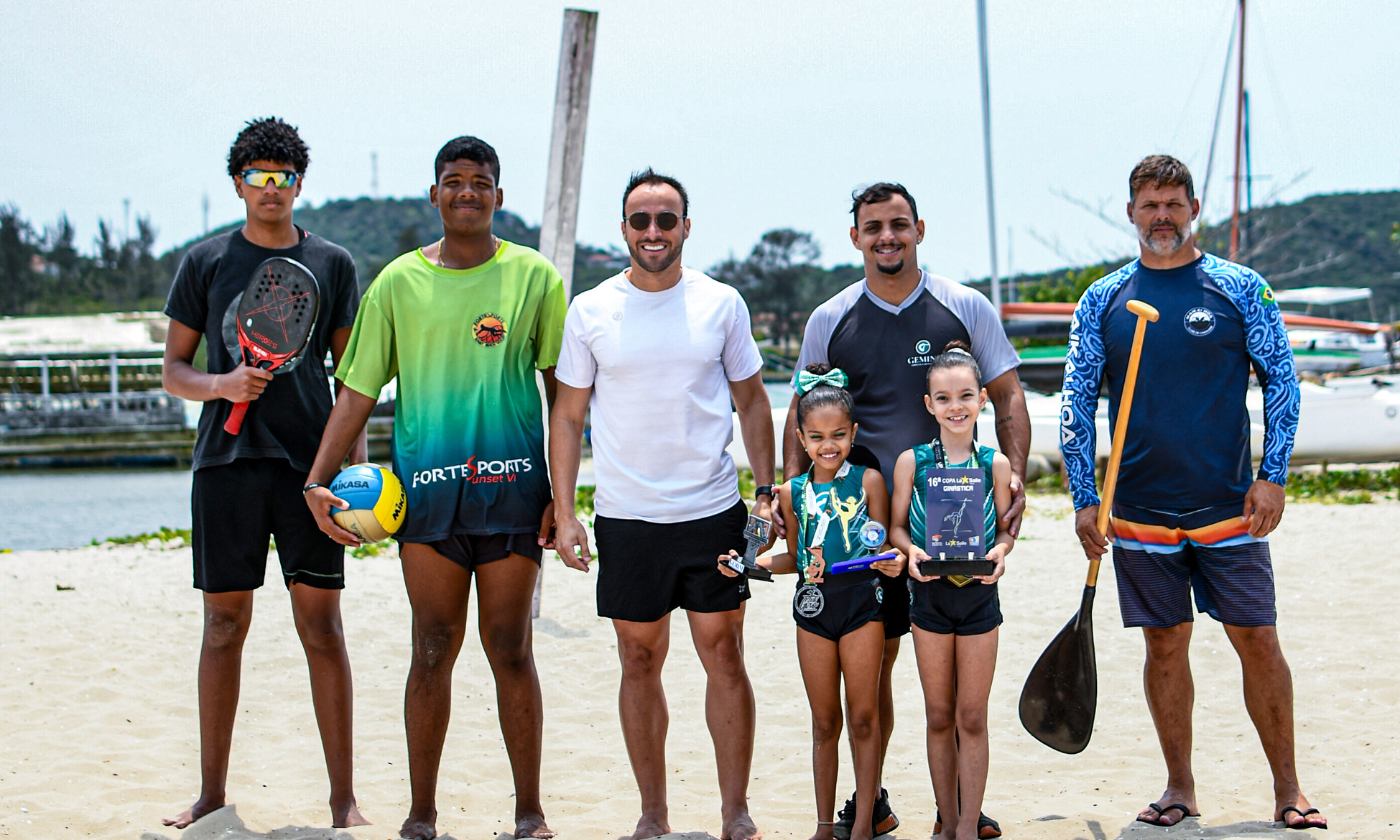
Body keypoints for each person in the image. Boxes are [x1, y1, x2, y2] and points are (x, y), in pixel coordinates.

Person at [303, 136, 565, 840]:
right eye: (454, 181)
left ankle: (530, 811)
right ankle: (421, 813)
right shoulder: (396, 284)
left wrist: (563, 497)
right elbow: (356, 392)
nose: (467, 192)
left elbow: (564, 398)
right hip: (425, 499)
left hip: (513, 491)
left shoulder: (534, 277)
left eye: (480, 182)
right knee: (431, 646)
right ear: (435, 195)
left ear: (498, 198)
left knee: (510, 647)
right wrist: (316, 480)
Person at [1062, 155, 1323, 831]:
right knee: (1164, 644)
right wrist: (1085, 498)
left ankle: (1288, 790)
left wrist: (1274, 475)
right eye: (1150, 205)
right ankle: (1179, 788)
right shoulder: (1103, 299)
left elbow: (1283, 384)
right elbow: (1076, 401)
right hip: (1140, 511)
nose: (1163, 217)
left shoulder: (1242, 288)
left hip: (1231, 504)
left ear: (1194, 208)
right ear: (1131, 213)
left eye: (1174, 204)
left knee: (1257, 638)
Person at [786, 183, 1027, 839]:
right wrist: (792, 500)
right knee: (881, 666)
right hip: (863, 535)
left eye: (898, 225)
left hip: (953, 530)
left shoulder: (964, 306)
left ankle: (957, 806)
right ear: (856, 236)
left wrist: (1017, 483)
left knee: (951, 689)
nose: (886, 236)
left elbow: (1007, 397)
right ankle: (874, 800)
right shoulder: (829, 319)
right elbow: (799, 418)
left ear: (919, 228)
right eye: (873, 227)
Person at [549, 169, 774, 840]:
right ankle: (654, 815)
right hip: (626, 517)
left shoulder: (722, 304)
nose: (653, 232)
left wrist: (767, 494)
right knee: (639, 660)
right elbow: (567, 418)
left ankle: (735, 812)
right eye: (640, 220)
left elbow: (753, 401)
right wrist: (565, 512)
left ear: (686, 227)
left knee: (723, 654)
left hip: (711, 512)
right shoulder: (590, 310)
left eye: (665, 220)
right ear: (622, 229)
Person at [160, 117, 368, 830]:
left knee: (323, 630)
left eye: (283, 177)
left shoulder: (334, 264)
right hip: (225, 466)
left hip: (311, 472)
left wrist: (355, 481)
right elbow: (174, 372)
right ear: (239, 183)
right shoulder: (205, 263)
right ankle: (212, 795)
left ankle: (344, 802)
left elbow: (356, 381)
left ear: (299, 184)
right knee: (223, 626)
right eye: (258, 176)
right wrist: (220, 388)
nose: (271, 188)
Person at [719, 363, 906, 840]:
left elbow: (883, 545)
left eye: (839, 435)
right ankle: (825, 826)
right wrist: (747, 565)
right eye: (818, 436)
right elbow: (796, 560)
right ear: (800, 438)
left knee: (864, 719)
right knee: (825, 723)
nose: (829, 445)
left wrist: (891, 561)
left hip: (863, 606)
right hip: (813, 611)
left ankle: (863, 822)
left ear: (853, 433)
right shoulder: (790, 492)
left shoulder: (868, 481)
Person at [890, 342, 1014, 840]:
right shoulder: (912, 463)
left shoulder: (995, 464)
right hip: (929, 599)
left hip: (980, 597)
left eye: (965, 395)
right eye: (944, 398)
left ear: (982, 399)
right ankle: (945, 820)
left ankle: (967, 824)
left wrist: (1004, 552)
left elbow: (1004, 532)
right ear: (929, 405)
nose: (955, 406)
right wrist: (910, 553)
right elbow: (897, 528)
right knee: (939, 715)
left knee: (972, 716)